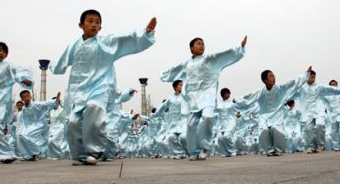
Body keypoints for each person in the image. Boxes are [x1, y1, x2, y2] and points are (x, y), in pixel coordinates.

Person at [50, 9, 156, 165]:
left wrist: (145, 33)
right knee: (73, 122)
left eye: (97, 22)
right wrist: (53, 67)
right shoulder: (74, 45)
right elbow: (60, 62)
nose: (94, 24)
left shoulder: (105, 42)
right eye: (90, 21)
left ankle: (94, 150)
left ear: (100, 27)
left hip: (99, 87)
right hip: (78, 90)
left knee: (94, 108)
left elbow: (124, 39)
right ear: (81, 25)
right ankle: (80, 155)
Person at [161, 36, 247, 160]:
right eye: (198, 43)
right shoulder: (187, 64)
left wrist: (240, 49)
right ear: (191, 48)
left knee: (207, 117)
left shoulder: (210, 59)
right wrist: (163, 74)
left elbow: (224, 55)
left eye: (203, 43)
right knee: (191, 125)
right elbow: (174, 71)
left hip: (208, 96)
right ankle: (194, 152)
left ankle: (205, 146)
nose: (201, 45)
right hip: (193, 99)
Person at [235, 67, 311, 156]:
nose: (274, 78)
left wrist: (306, 74)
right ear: (265, 80)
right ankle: (269, 150)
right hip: (264, 116)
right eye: (271, 76)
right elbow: (248, 97)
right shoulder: (260, 92)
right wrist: (236, 100)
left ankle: (278, 150)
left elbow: (294, 83)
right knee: (264, 131)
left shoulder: (280, 88)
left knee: (276, 130)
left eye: (274, 76)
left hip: (277, 114)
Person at [16, 90, 60, 161]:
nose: (26, 98)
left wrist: (55, 100)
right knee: (21, 137)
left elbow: (45, 103)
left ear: (30, 96)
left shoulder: (36, 104)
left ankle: (35, 153)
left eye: (28, 96)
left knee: (24, 136)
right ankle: (29, 155)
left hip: (39, 125)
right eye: (24, 97)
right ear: (22, 99)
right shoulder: (24, 108)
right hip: (30, 126)